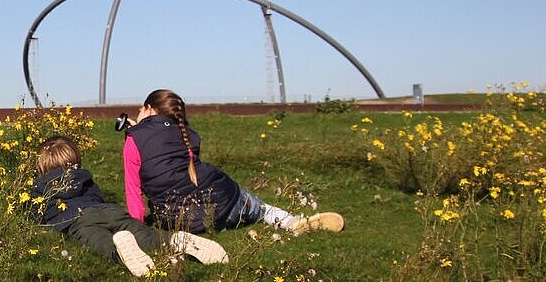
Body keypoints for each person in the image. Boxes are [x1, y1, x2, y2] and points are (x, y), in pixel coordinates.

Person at [123, 89, 345, 235]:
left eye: (141, 109)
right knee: (262, 210)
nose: (139, 113)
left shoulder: (134, 140)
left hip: (182, 221)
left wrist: (138, 227)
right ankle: (291, 222)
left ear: (150, 109)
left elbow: (134, 190)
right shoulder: (187, 134)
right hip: (228, 202)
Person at [30, 135, 227, 277]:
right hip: (110, 211)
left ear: (42, 166)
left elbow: (38, 215)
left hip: (79, 220)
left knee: (97, 240)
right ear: (75, 161)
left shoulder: (40, 187)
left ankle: (117, 248)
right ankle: (175, 239)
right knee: (146, 235)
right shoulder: (84, 177)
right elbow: (97, 197)